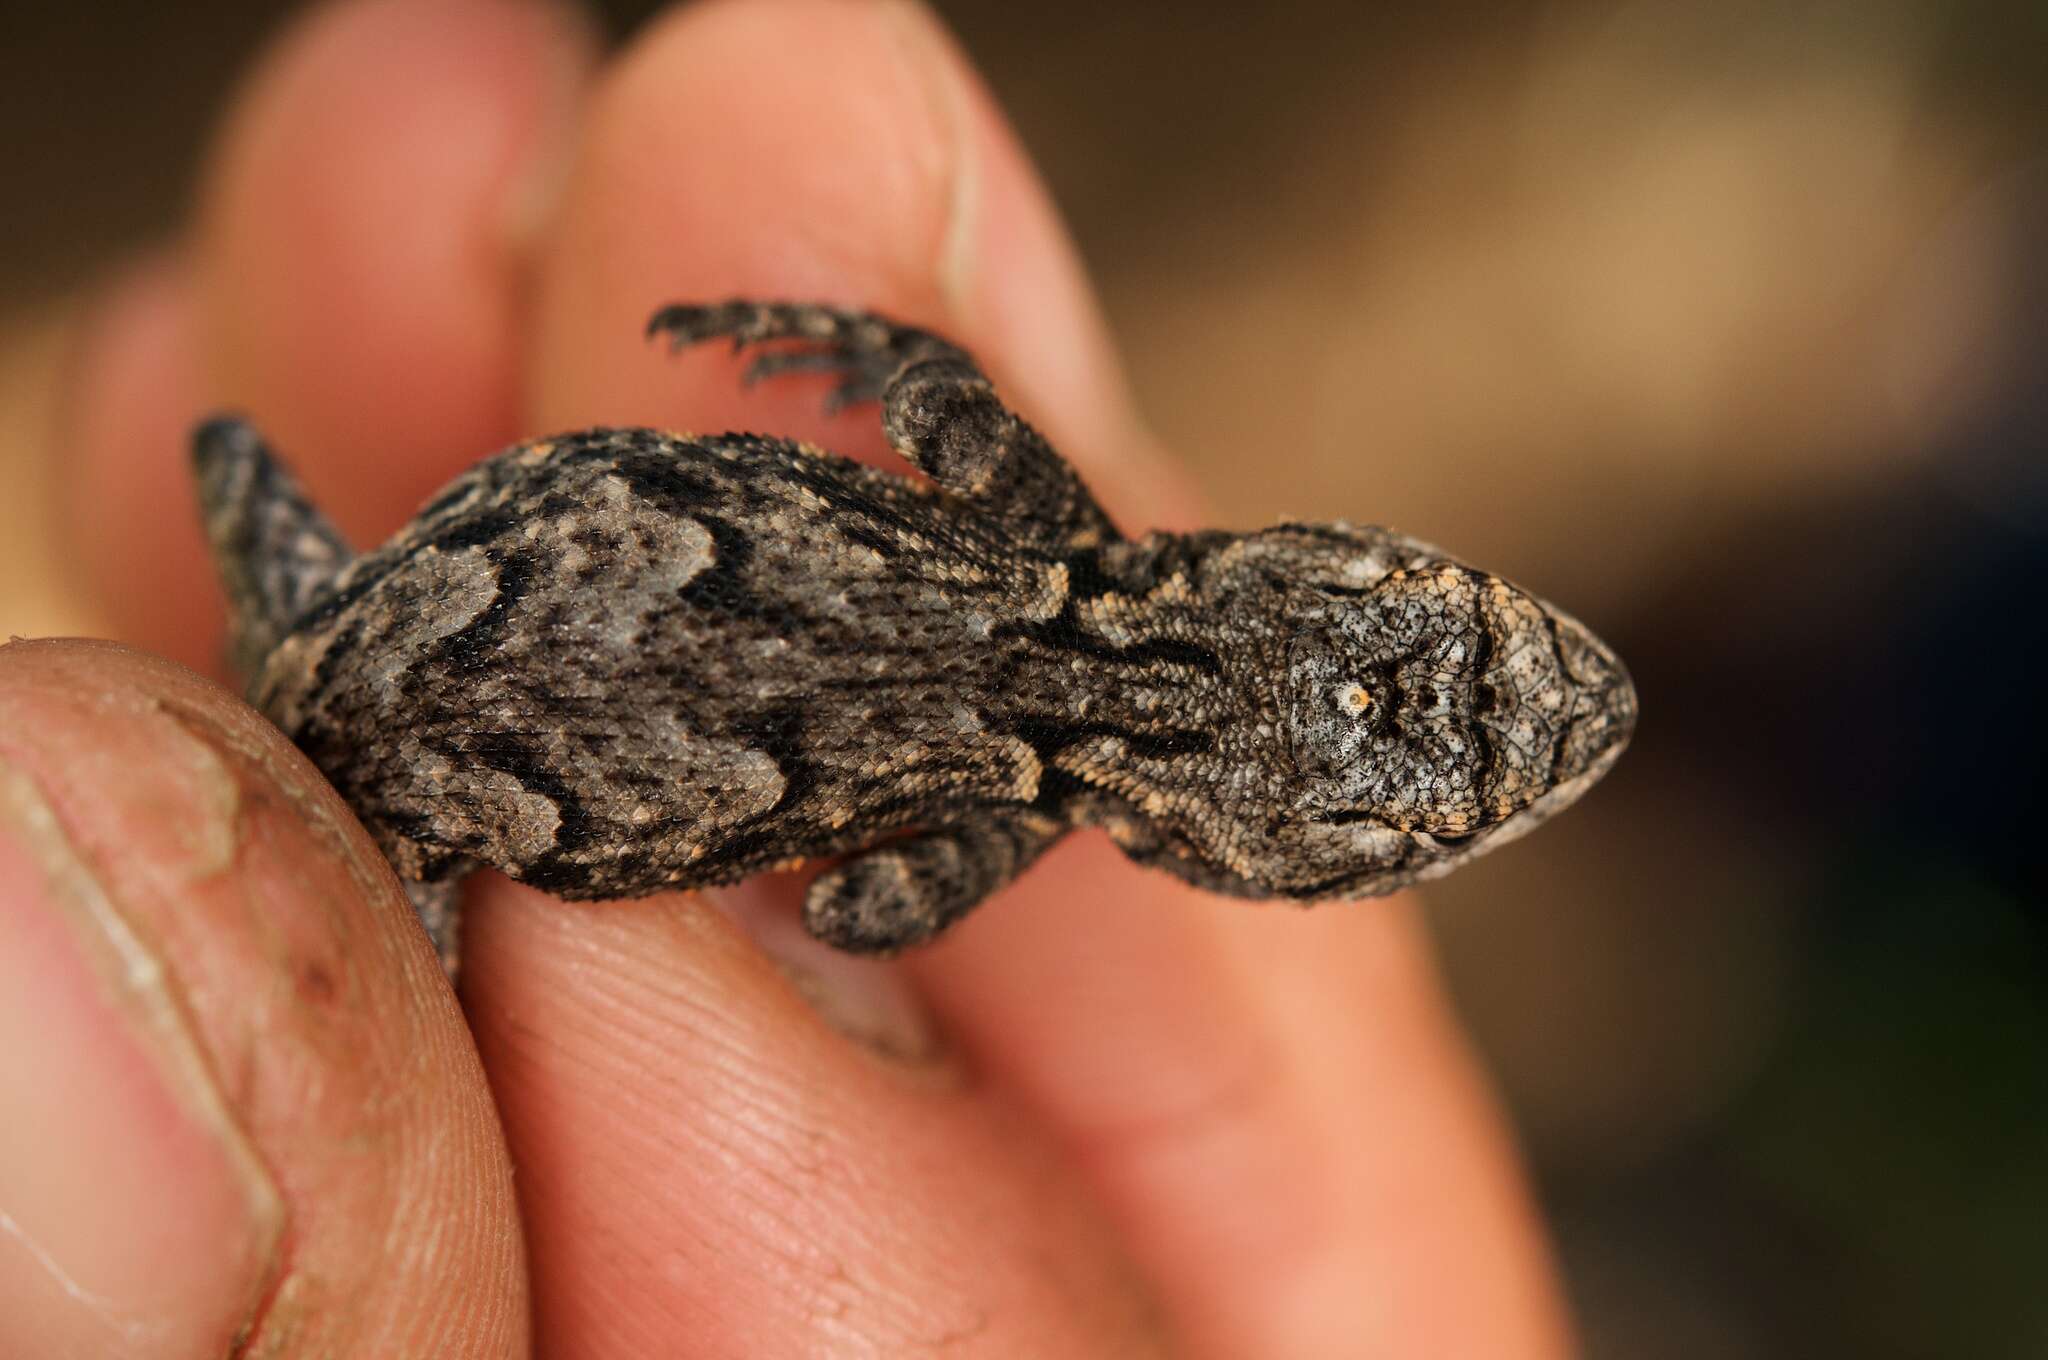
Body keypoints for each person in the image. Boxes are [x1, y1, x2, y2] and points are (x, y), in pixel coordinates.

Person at [0, 2, 1573, 1354]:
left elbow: (923, 379)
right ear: (1234, 860)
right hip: (411, 858)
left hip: (380, 618)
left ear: (1285, 562)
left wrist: (816, 342)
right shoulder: (991, 834)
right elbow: (840, 917)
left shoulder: (1036, 512)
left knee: (212, 450)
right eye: (1448, 616)